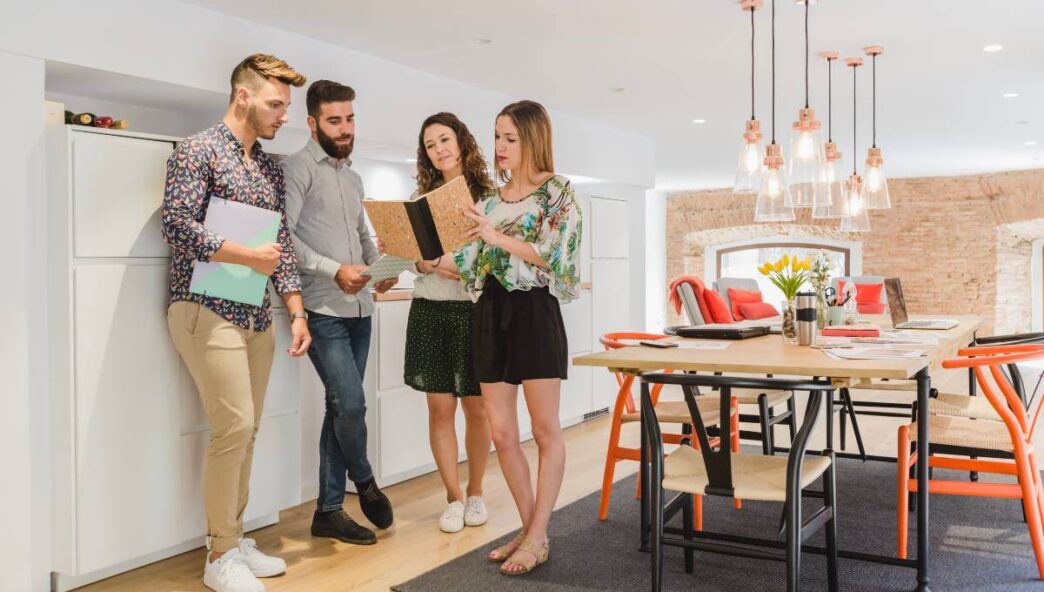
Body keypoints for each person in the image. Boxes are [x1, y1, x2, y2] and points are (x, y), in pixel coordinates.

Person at [161, 53, 311, 592]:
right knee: (236, 428)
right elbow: (176, 225)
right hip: (203, 308)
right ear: (242, 96)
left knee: (246, 434)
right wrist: (247, 257)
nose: (283, 116)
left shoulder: (268, 166)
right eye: (276, 104)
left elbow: (282, 247)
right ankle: (220, 554)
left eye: (287, 107)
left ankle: (233, 536)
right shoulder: (197, 151)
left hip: (255, 312)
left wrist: (295, 311)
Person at [430, 100, 582, 575]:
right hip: (489, 312)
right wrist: (424, 258)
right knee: (501, 432)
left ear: (534, 139)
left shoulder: (558, 193)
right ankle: (529, 528)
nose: (499, 147)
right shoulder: (490, 202)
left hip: (535, 312)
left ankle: (537, 535)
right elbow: (471, 265)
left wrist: (497, 238)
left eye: (509, 138)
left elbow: (559, 260)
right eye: (496, 136)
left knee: (544, 429)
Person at [283, 79, 397, 546]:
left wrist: (380, 269)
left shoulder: (353, 178)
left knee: (338, 407)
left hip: (362, 308)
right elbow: (283, 236)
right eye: (335, 120)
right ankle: (365, 482)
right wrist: (333, 271)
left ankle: (328, 512)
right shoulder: (295, 169)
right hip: (322, 308)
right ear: (312, 123)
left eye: (350, 118)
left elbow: (362, 236)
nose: (346, 127)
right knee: (350, 403)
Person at [406, 113, 496, 533]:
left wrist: (445, 263)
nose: (439, 149)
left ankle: (476, 493)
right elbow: (413, 257)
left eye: (444, 139)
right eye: (430, 145)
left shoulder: (490, 197)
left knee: (477, 410)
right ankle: (453, 498)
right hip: (428, 310)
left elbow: (489, 263)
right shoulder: (420, 197)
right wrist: (420, 261)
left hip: (473, 312)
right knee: (439, 409)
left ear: (461, 142)